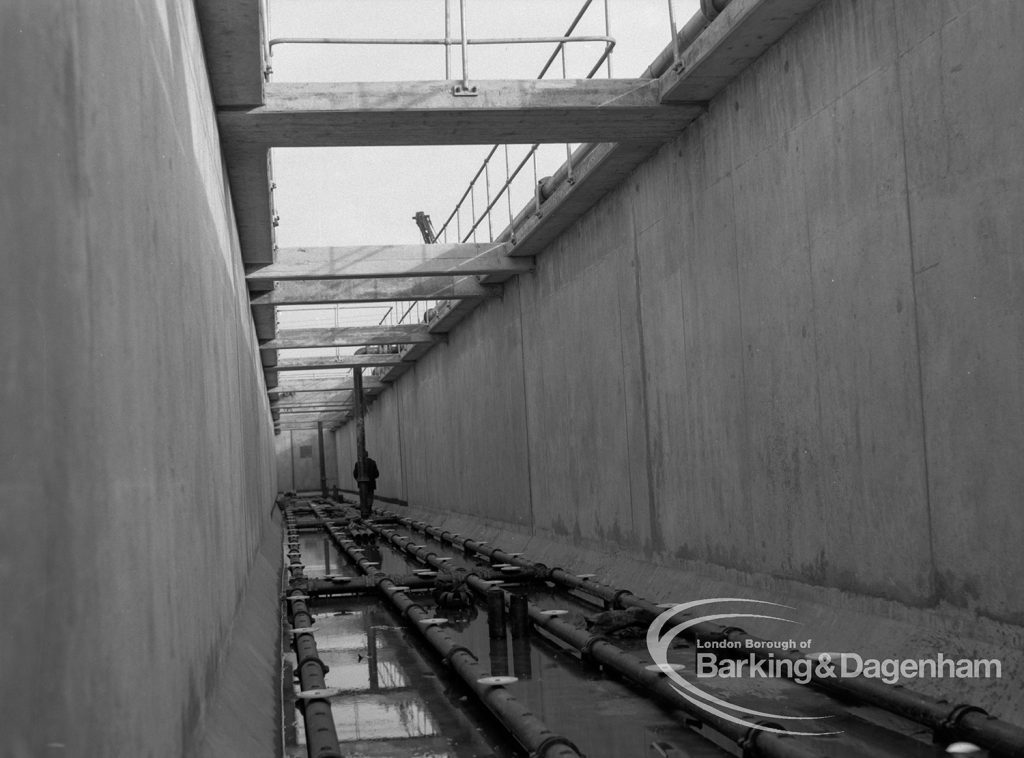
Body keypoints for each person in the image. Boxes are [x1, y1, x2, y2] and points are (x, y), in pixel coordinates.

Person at [353, 453, 379, 517]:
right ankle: (369, 509)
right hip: (371, 484)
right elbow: (377, 474)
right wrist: (371, 478)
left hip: (362, 485)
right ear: (367, 455)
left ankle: (364, 509)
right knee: (370, 496)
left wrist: (358, 480)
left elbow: (355, 474)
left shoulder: (358, 463)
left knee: (363, 496)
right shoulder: (373, 462)